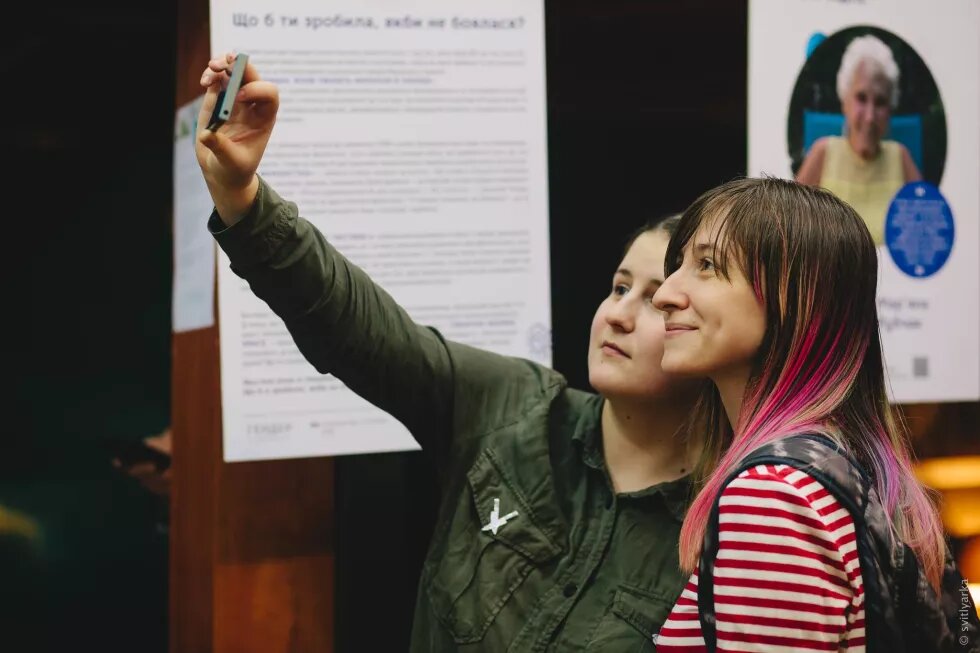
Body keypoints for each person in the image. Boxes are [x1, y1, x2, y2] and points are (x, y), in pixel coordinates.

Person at [196, 53, 705, 651]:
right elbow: (364, 331)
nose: (618, 313)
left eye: (656, 302)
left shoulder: (721, 528)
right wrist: (242, 195)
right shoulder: (516, 408)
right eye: (619, 287)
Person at [650, 177, 979, 651]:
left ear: (797, 298)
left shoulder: (771, 496)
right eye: (677, 266)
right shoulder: (849, 468)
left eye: (707, 265)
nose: (665, 294)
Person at [796, 34, 922, 246]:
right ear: (844, 100)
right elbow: (789, 225)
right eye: (861, 98)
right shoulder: (823, 153)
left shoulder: (901, 157)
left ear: (890, 108)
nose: (870, 116)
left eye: (881, 102)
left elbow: (929, 226)